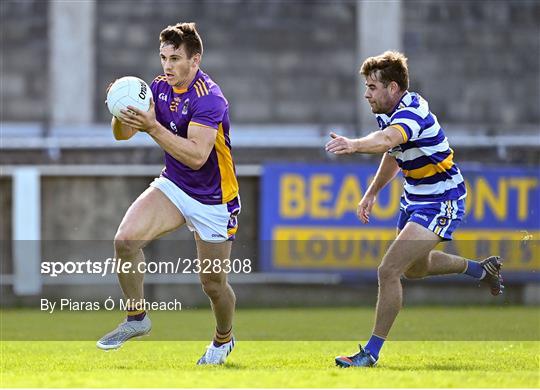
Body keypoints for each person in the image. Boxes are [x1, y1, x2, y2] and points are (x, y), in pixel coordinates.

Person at [325, 51, 504, 368]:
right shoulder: (389, 112)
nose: (366, 93)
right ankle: (481, 269)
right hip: (415, 197)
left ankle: (370, 353)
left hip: (442, 198)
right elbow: (393, 152)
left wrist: (353, 145)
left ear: (393, 88)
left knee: (388, 270)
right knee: (414, 269)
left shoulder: (412, 112)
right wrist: (371, 193)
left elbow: (387, 139)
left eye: (372, 87)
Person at [97, 22, 240, 366]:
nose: (167, 66)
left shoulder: (210, 98)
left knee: (213, 284)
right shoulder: (159, 89)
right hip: (175, 186)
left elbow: (196, 155)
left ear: (195, 59)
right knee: (125, 241)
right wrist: (120, 109)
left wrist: (153, 127)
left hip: (214, 199)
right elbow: (123, 134)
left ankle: (223, 340)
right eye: (163, 57)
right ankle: (137, 318)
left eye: (175, 58)